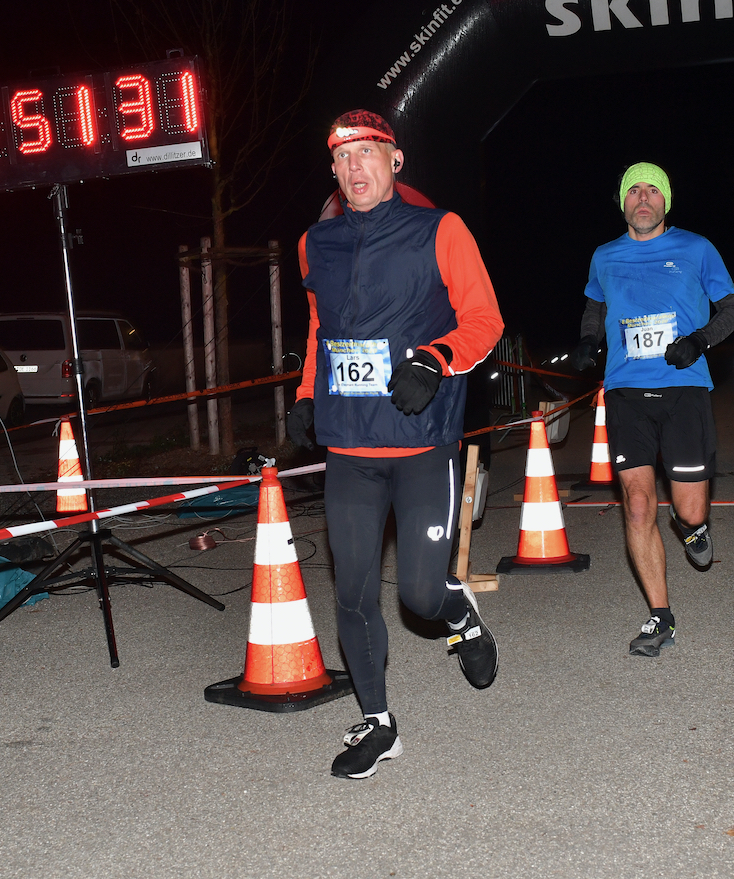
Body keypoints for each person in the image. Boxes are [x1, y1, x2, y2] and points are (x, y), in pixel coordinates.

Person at [287, 110, 504, 779]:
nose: (355, 168)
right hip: (350, 446)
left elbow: (485, 321)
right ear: (331, 170)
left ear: (395, 159)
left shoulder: (441, 229)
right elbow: (322, 327)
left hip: (421, 442)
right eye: (342, 157)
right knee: (351, 592)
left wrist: (437, 358)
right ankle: (378, 722)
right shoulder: (313, 246)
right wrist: (304, 395)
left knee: (416, 593)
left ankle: (459, 611)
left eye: (367, 153)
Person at [569, 162, 734, 657]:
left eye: (652, 191)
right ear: (622, 202)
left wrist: (699, 340)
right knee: (639, 504)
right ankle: (660, 617)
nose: (642, 199)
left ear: (665, 202)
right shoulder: (604, 255)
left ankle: (692, 530)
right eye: (634, 192)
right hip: (626, 394)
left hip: (684, 390)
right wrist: (587, 340)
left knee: (689, 509)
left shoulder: (696, 248)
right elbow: (595, 305)